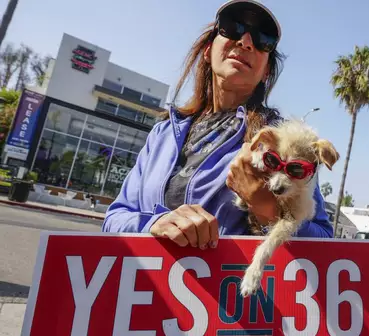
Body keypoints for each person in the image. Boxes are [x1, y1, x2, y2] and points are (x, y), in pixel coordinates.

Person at [101, 0, 332, 248]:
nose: (245, 41)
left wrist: (267, 209)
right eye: (232, 27)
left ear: (266, 71)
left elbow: (323, 240)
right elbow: (114, 218)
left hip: (229, 285)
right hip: (147, 284)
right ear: (208, 50)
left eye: (263, 39)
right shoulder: (163, 133)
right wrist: (155, 224)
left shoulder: (280, 141)